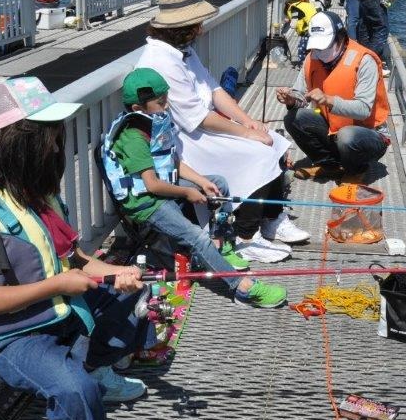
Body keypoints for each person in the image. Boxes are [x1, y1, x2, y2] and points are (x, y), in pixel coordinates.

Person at [0, 77, 154, 420]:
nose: (57, 147)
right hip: (11, 338)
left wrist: (115, 273)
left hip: (62, 310)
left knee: (141, 297)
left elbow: (74, 258)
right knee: (75, 390)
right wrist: (59, 283)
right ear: (18, 143)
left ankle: (93, 365)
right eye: (51, 139)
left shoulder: (37, 194)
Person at [135, 0, 311, 263]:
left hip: (205, 128)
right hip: (187, 142)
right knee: (258, 153)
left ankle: (272, 217)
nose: (202, 29)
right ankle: (245, 236)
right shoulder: (160, 61)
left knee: (275, 140)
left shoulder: (184, 51)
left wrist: (249, 121)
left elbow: (215, 91)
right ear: (183, 27)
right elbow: (198, 119)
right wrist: (246, 134)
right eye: (197, 23)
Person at [109, 67, 287, 308]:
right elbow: (151, 184)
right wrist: (187, 192)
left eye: (166, 100)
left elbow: (172, 162)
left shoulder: (154, 122)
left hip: (163, 186)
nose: (167, 106)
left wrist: (202, 182)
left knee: (219, 183)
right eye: (161, 103)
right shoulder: (133, 138)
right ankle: (241, 289)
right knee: (195, 237)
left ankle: (218, 243)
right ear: (138, 109)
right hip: (147, 203)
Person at [276, 12, 390, 183]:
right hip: (333, 130)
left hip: (370, 134)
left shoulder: (364, 60)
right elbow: (301, 94)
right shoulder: (311, 58)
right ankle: (330, 166)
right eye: (318, 46)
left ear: (341, 37)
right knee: (294, 118)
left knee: (347, 136)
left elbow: (363, 109)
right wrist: (291, 100)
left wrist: (328, 100)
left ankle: (356, 170)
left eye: (325, 45)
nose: (320, 51)